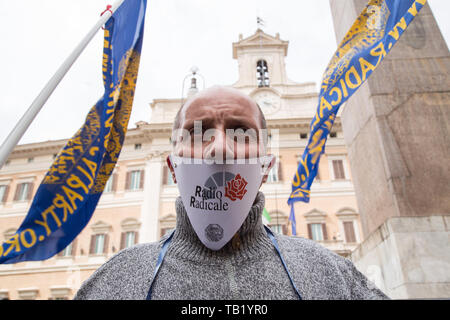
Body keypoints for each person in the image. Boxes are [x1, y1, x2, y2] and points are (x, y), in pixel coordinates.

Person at [74, 86, 389, 300]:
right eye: (199, 132)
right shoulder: (114, 280)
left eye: (241, 131)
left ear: (266, 166)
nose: (220, 148)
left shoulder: (330, 273)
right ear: (172, 166)